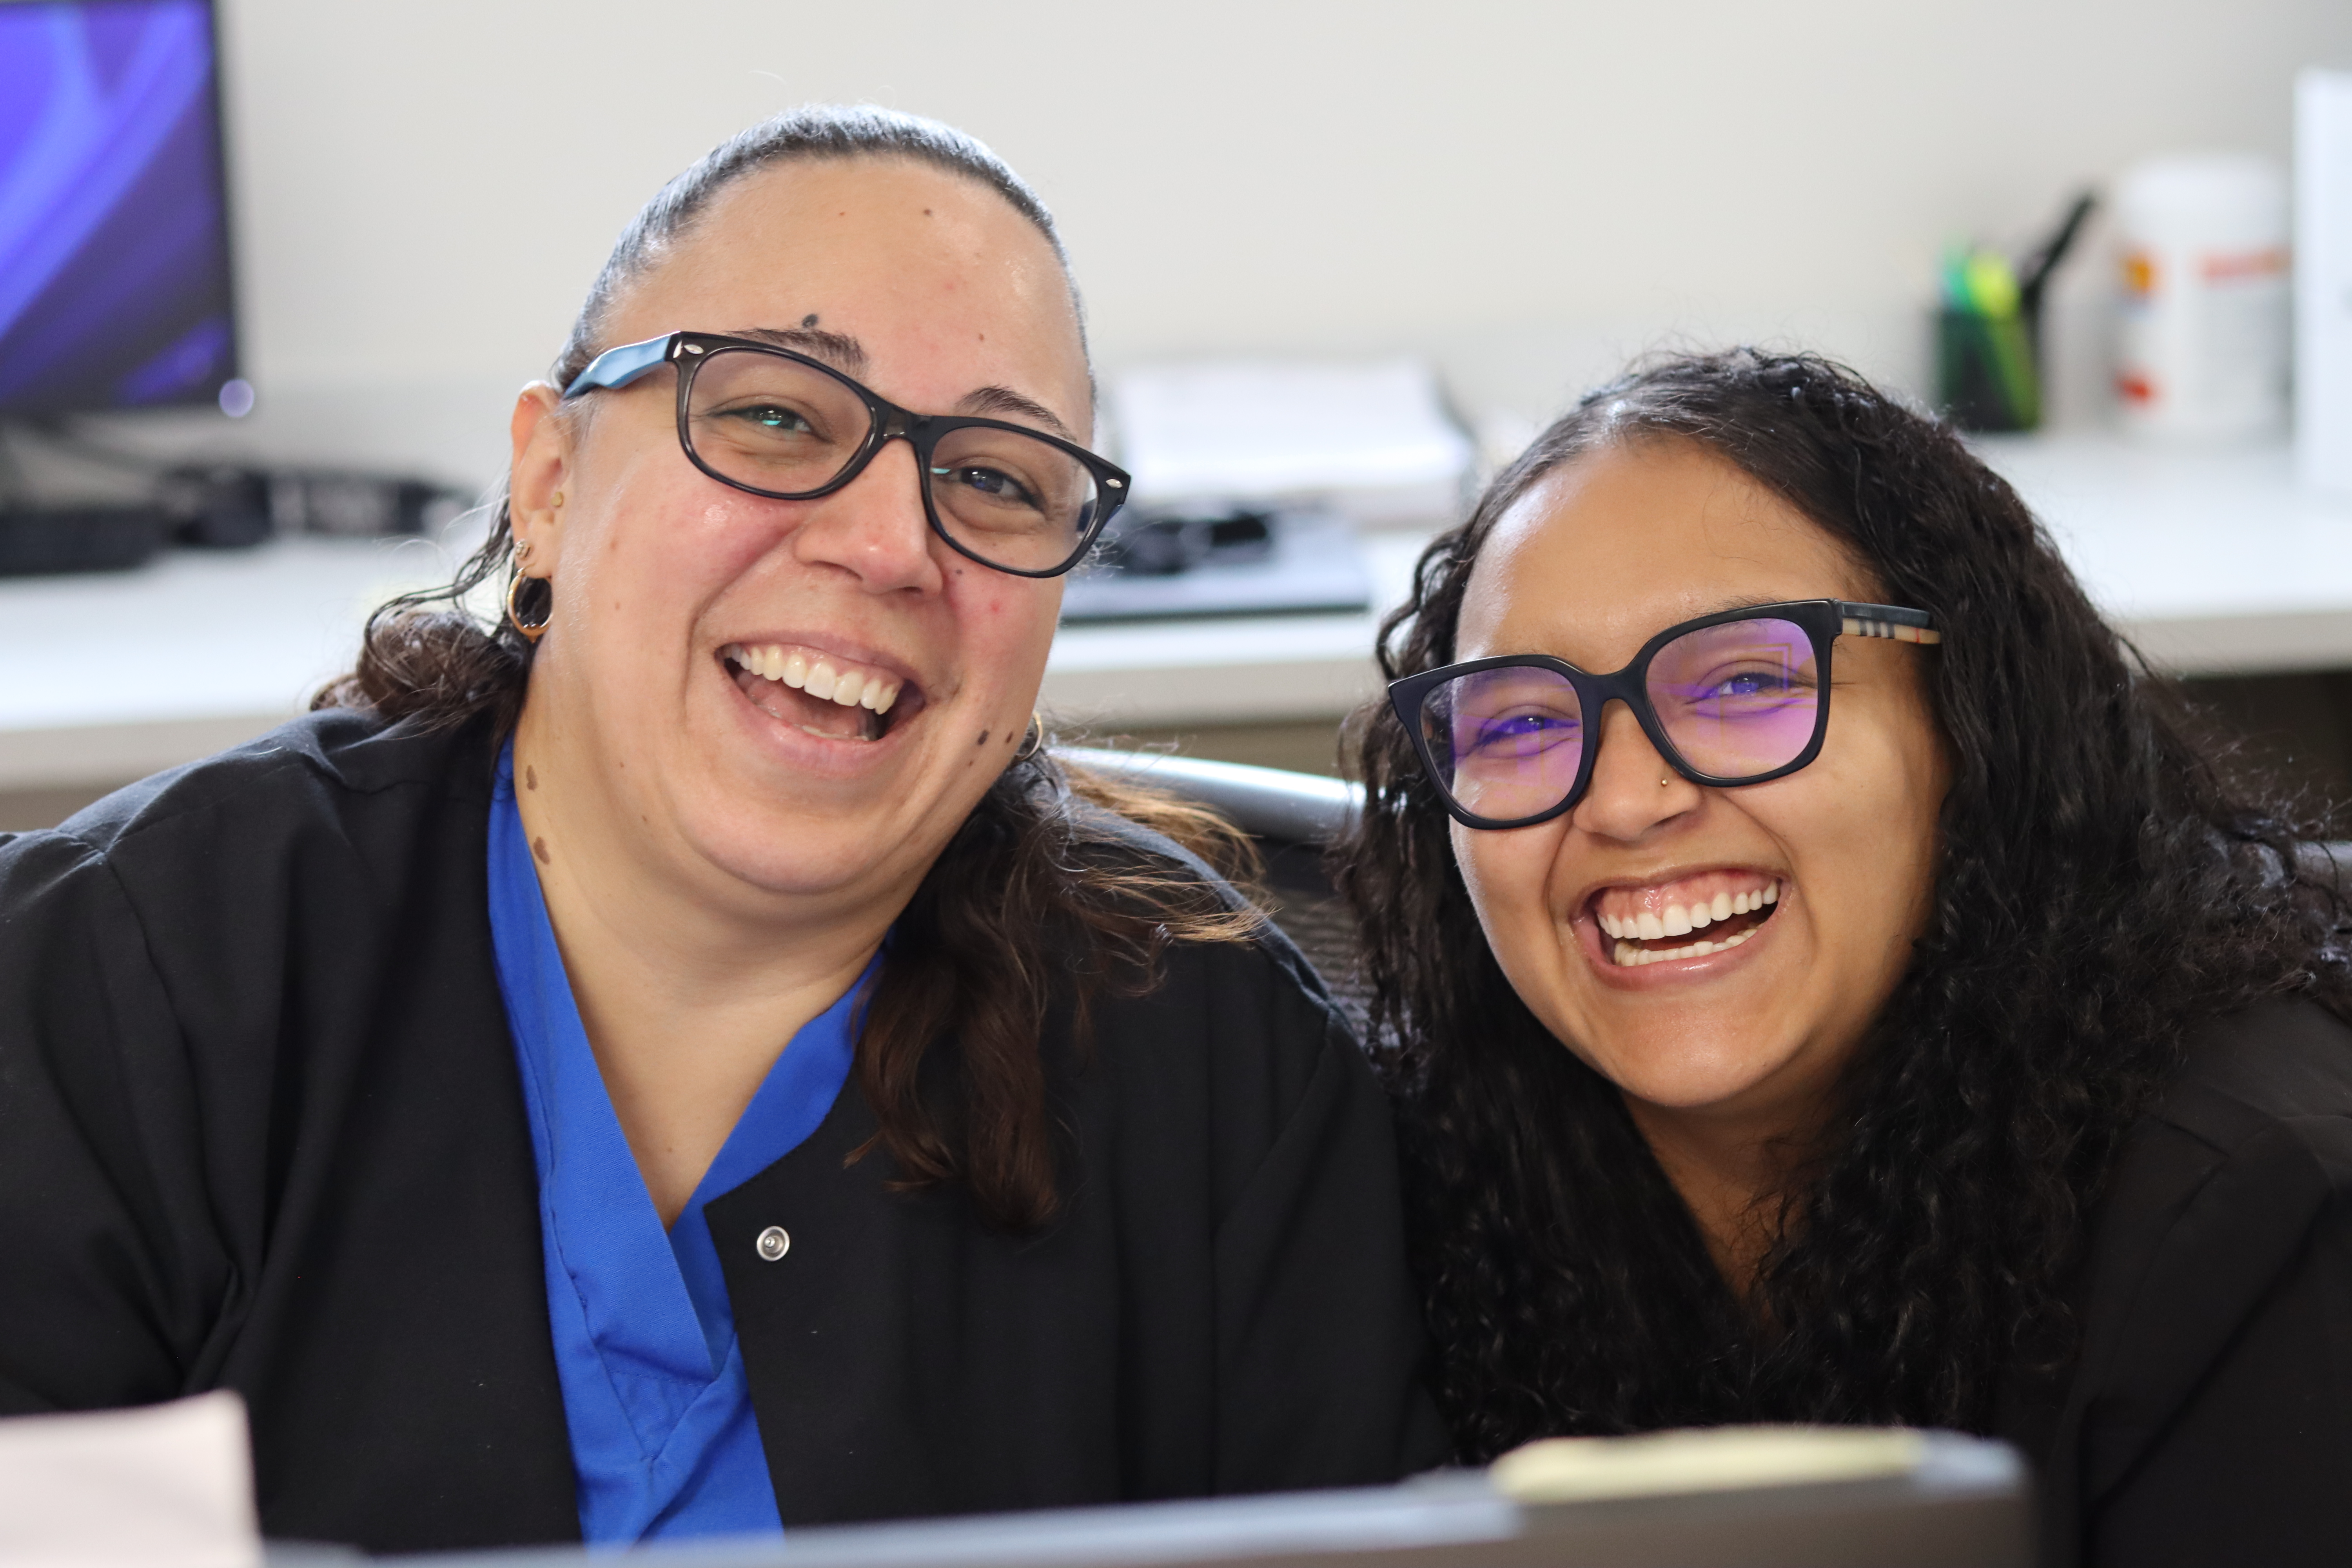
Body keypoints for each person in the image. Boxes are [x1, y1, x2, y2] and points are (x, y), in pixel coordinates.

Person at [0, 107, 1443, 1554]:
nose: (890, 545)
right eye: (774, 415)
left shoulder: (1223, 1080)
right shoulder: (120, 995)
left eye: (998, 479)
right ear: (551, 484)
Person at [1337, 348, 2352, 1567]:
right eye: (1523, 722)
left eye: (1748, 683)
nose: (1623, 801)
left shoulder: (2253, 1210)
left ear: (1971, 726)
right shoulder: (1400, 1186)